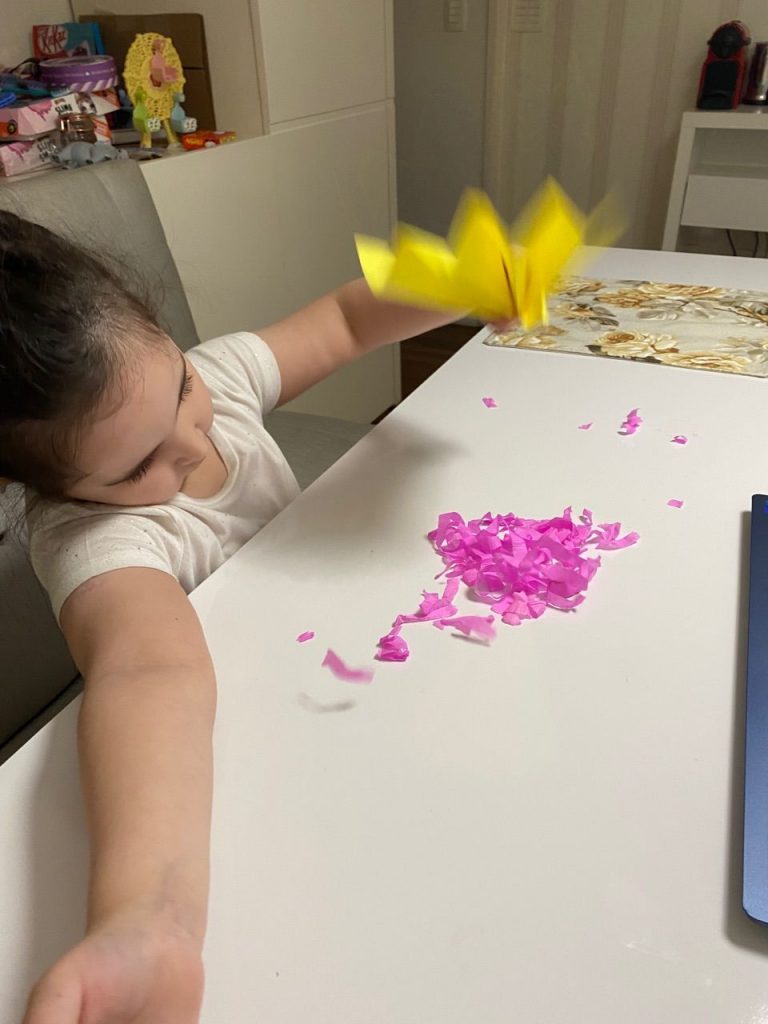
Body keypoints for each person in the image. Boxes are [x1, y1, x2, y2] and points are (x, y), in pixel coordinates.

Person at [0, 210, 463, 1024]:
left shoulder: (217, 378)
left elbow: (345, 319)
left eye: (182, 386)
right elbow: (149, 671)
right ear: (49, 486)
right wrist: (151, 918)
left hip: (351, 684)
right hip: (256, 767)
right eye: (139, 465)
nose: (190, 441)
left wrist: (462, 283)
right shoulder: (93, 536)